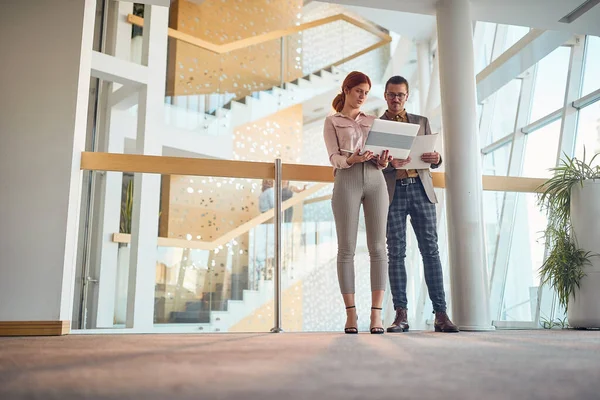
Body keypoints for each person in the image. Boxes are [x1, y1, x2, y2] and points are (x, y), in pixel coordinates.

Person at [381, 75, 459, 333]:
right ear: (385, 95)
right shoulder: (377, 125)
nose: (395, 99)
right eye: (391, 94)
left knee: (431, 252)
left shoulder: (421, 122)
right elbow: (373, 163)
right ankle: (400, 315)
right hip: (392, 194)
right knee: (396, 255)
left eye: (400, 95)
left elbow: (433, 159)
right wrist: (387, 163)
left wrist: (436, 158)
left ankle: (441, 314)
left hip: (421, 190)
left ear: (406, 97)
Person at [323, 71, 393, 334]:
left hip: (376, 180)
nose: (362, 96)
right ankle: (351, 315)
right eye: (358, 91)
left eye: (366, 92)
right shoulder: (332, 121)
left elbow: (382, 158)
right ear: (346, 90)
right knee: (347, 249)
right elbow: (333, 157)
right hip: (347, 180)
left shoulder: (373, 121)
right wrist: (350, 160)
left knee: (378, 248)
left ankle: (376, 316)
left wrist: (384, 161)